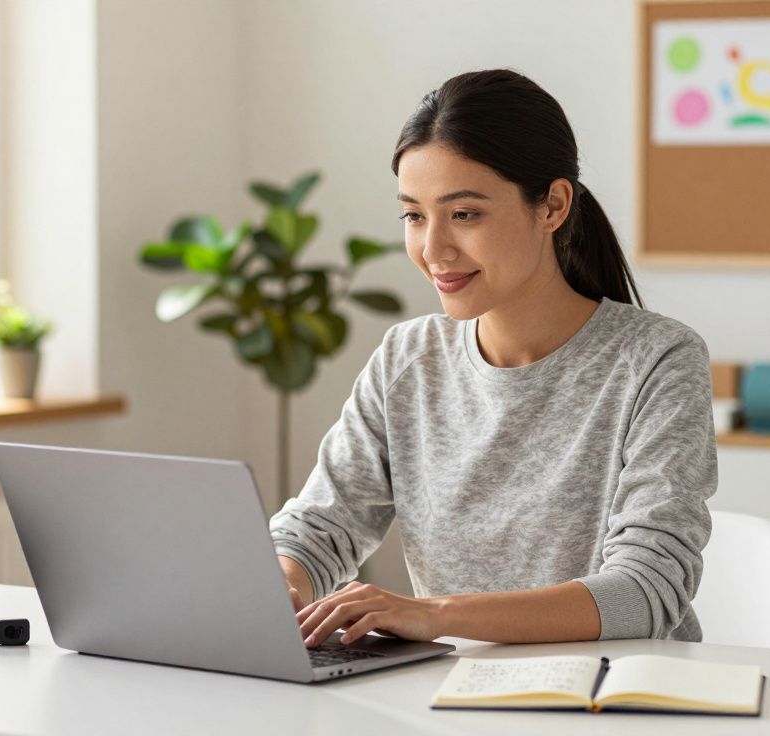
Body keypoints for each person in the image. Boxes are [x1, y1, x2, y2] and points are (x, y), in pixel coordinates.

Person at [269, 69, 717, 650]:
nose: (433, 250)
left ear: (553, 205)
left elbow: (645, 590)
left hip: (619, 701)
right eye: (413, 215)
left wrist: (433, 614)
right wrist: (280, 582)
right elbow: (319, 528)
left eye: (464, 214)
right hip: (456, 699)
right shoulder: (409, 358)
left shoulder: (657, 360)